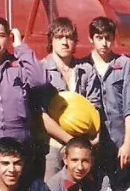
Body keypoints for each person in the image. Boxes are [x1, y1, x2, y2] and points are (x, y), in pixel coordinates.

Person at [0, 18, 48, 181]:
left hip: (17, 149)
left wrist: (20, 46)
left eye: (1, 35)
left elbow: (40, 80)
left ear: (8, 38)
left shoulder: (19, 66)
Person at [37, 17, 103, 178]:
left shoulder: (86, 70)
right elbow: (41, 115)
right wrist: (69, 141)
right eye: (59, 37)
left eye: (70, 38)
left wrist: (96, 136)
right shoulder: (41, 70)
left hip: (83, 146)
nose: (65, 42)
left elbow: (95, 107)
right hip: (52, 145)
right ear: (51, 40)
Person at [87, 16, 130, 191]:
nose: (104, 43)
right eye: (99, 38)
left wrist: (128, 143)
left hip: (119, 142)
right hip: (93, 143)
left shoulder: (125, 65)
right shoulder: (83, 66)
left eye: (108, 38)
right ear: (91, 38)